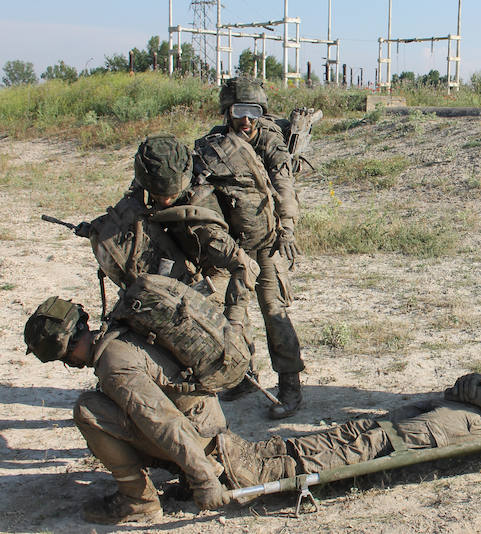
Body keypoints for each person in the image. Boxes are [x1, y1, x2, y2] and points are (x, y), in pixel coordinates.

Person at [214, 349, 481, 491]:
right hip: (461, 407)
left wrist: (474, 390)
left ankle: (261, 473)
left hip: (470, 423)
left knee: (373, 444)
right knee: (361, 430)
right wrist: (477, 384)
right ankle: (262, 452)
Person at [23, 297, 231, 524]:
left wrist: (204, 480)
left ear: (65, 353)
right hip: (205, 429)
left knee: (87, 411)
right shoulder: (117, 333)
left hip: (197, 439)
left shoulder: (114, 366)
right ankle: (197, 466)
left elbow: (163, 421)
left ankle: (138, 500)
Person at [193, 76, 304, 419]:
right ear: (227, 111)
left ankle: (290, 385)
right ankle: (243, 375)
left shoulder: (270, 142)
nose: (245, 119)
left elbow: (285, 187)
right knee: (233, 315)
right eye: (238, 110)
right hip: (234, 247)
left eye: (253, 111)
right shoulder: (214, 146)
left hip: (269, 243)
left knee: (274, 311)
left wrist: (287, 229)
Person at [129, 133, 259, 333]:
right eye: (158, 195)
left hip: (215, 272)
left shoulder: (204, 226)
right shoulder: (150, 178)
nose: (163, 201)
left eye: (170, 196)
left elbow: (245, 267)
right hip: (177, 262)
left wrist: (234, 323)